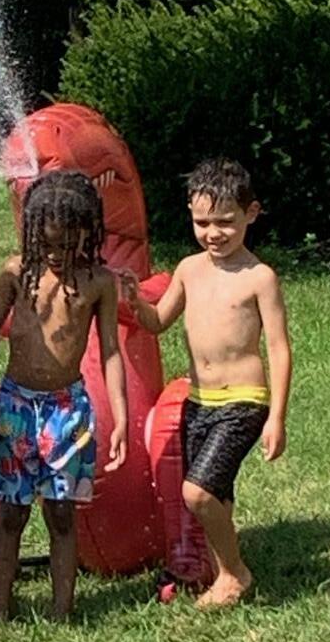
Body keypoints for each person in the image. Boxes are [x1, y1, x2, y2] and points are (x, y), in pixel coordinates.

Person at [122, 157, 291, 607]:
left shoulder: (259, 278)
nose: (213, 233)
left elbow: (278, 349)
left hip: (244, 401)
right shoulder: (189, 269)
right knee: (219, 494)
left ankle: (235, 574)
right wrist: (134, 301)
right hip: (199, 400)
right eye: (202, 222)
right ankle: (221, 575)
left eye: (225, 222)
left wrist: (276, 417)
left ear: (251, 213)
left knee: (197, 493)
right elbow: (158, 322)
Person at [0, 170, 128, 623]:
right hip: (15, 407)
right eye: (46, 244)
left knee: (61, 513)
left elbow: (111, 352)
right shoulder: (16, 272)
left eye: (67, 244)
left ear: (88, 232)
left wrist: (121, 417)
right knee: (10, 513)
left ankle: (63, 612)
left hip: (68, 411)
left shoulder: (98, 282)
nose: (57, 254)